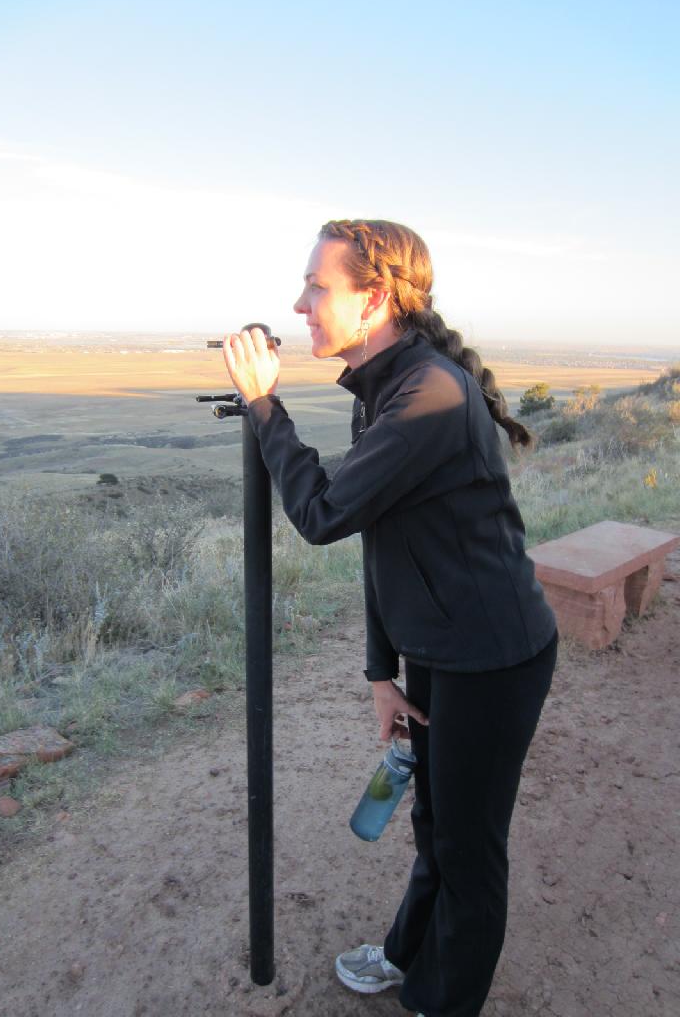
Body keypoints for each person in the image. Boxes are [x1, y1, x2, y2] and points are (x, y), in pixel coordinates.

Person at [222, 219, 558, 1017]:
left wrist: (266, 408)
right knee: (435, 825)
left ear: (372, 299)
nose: (300, 303)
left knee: (468, 853)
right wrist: (383, 671)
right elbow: (383, 540)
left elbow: (325, 513)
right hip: (442, 648)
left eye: (317, 286)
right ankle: (408, 956)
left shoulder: (427, 394)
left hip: (492, 655)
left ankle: (442, 1002)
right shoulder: (386, 389)